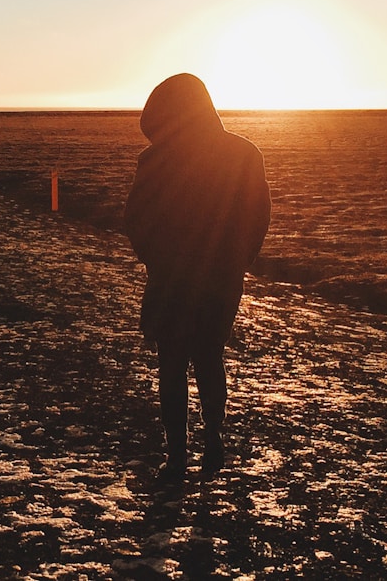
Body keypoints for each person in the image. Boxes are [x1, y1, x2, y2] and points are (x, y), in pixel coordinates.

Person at [123, 74, 271, 482]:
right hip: (219, 282)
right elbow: (258, 215)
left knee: (171, 365)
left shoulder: (153, 161)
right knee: (209, 358)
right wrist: (237, 261)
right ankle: (213, 440)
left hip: (171, 280)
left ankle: (177, 454)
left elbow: (135, 220)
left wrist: (157, 259)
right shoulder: (244, 154)